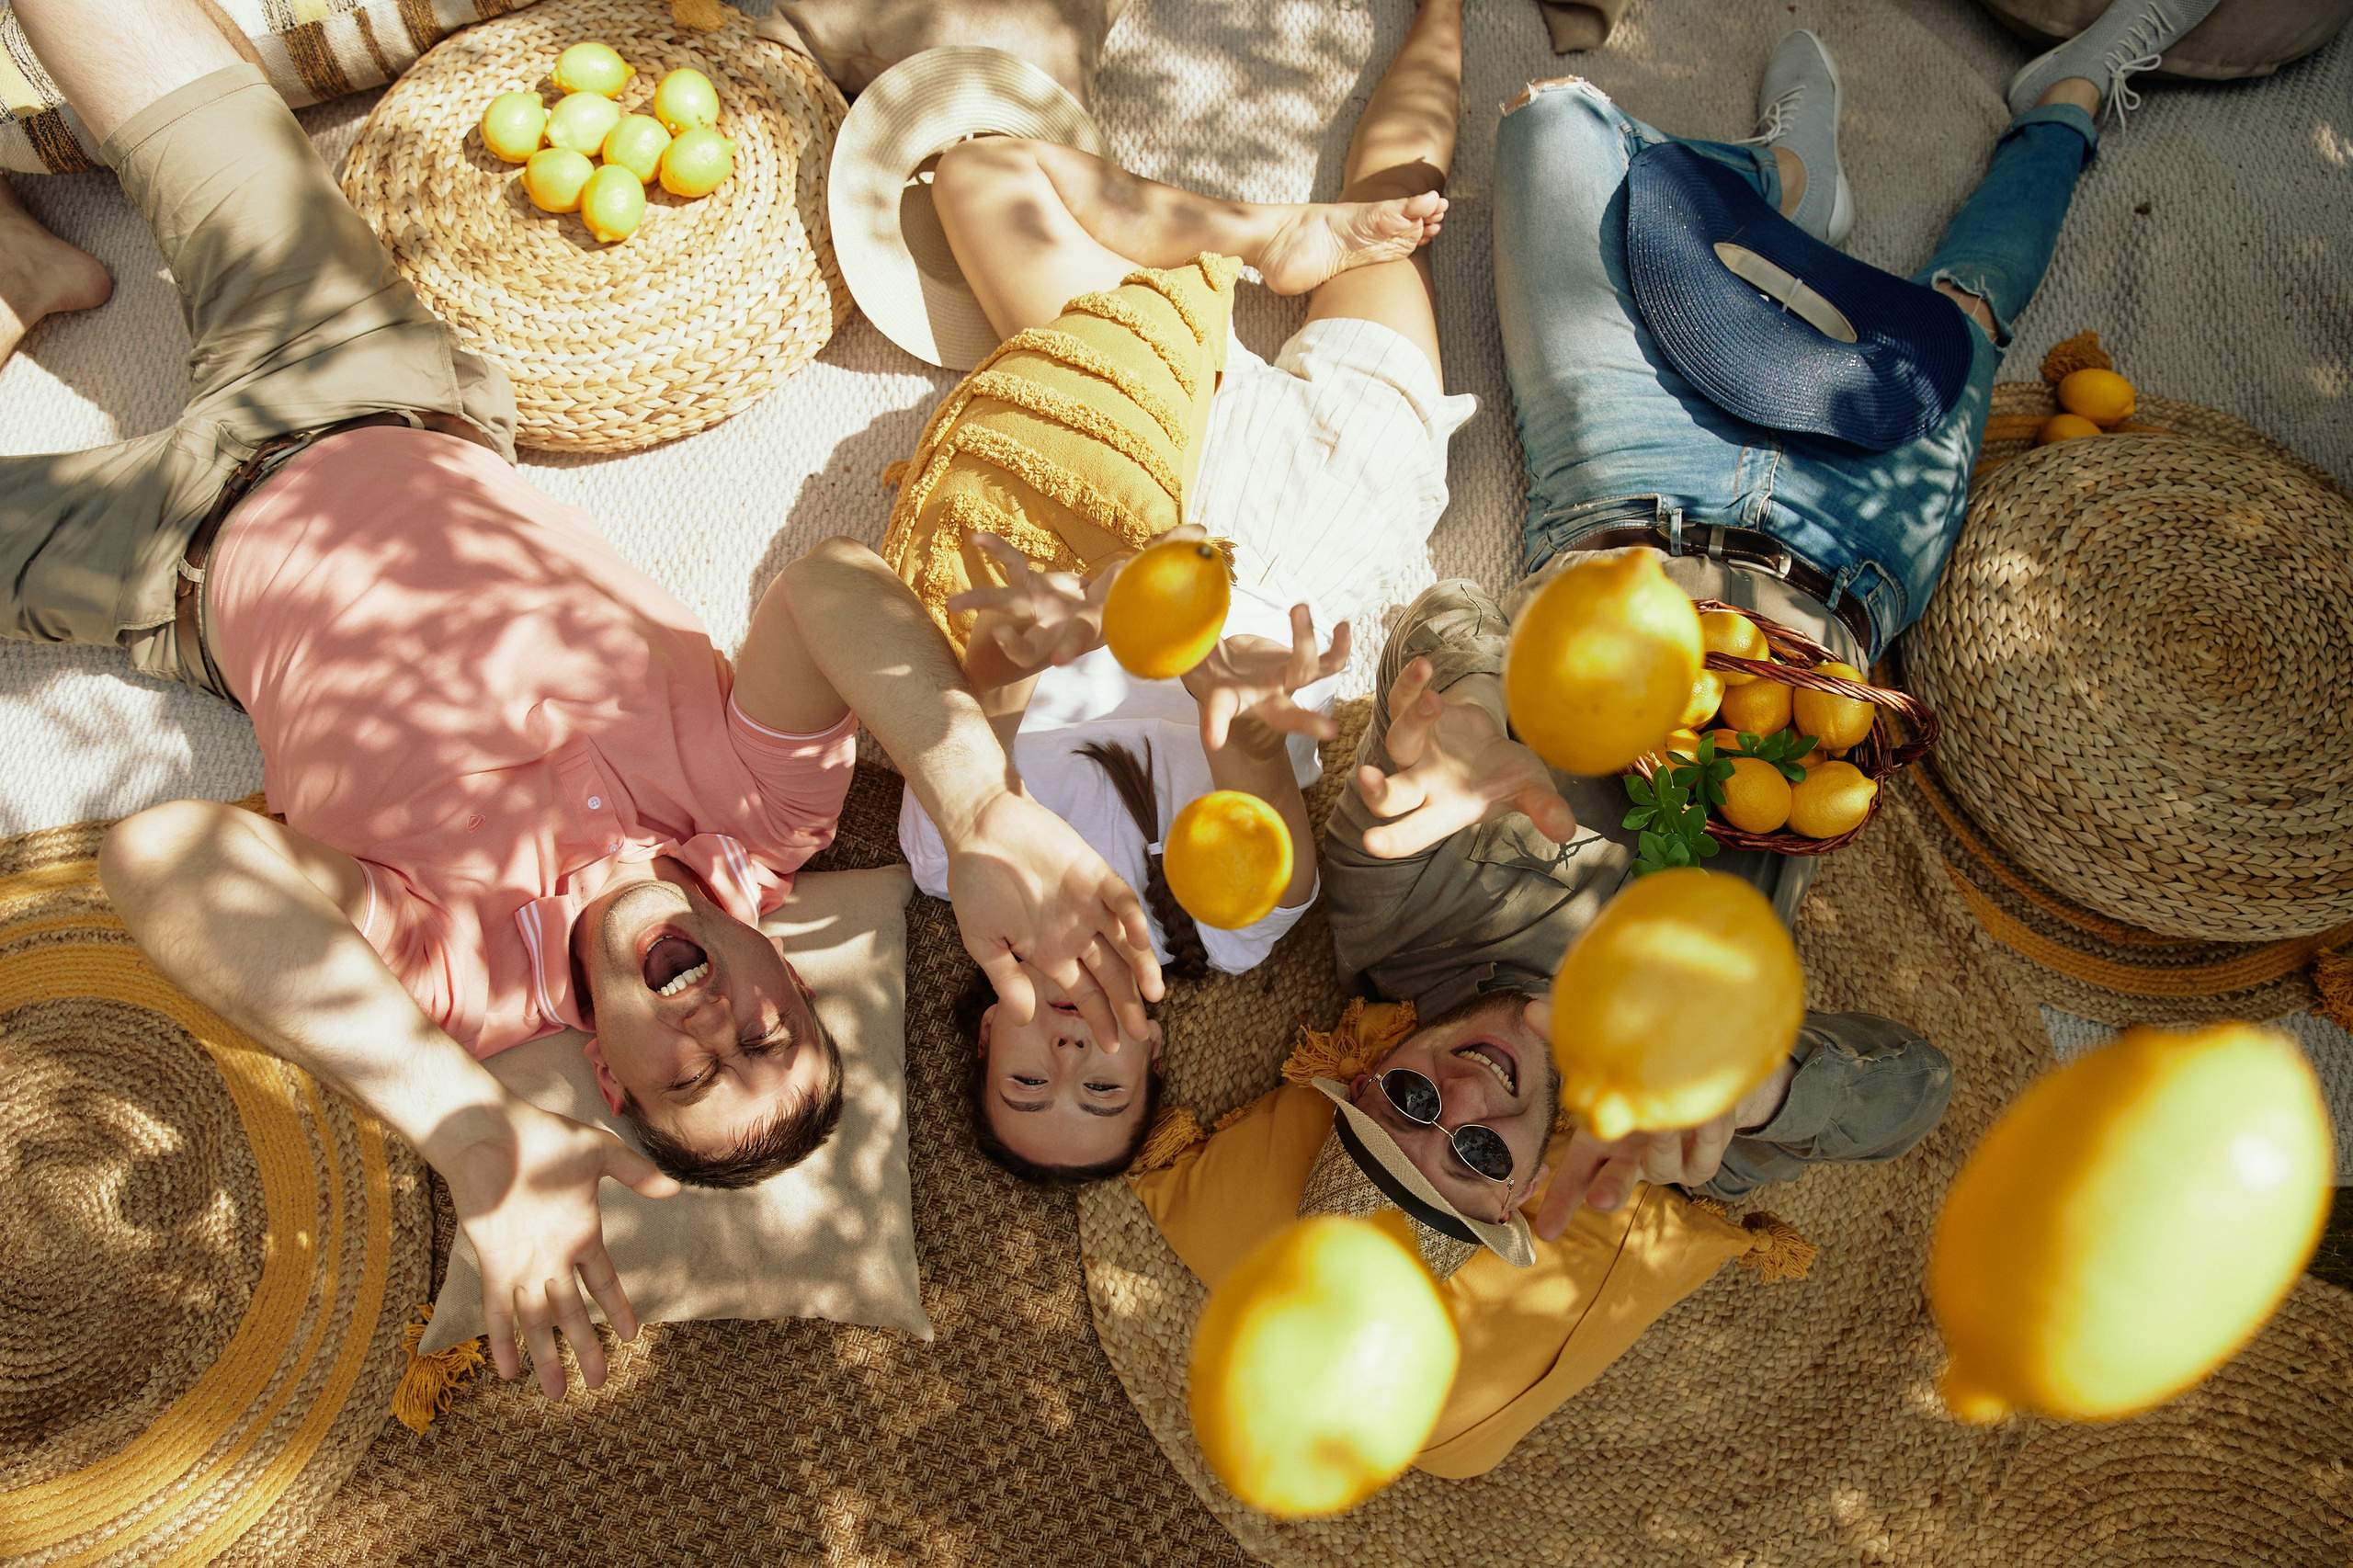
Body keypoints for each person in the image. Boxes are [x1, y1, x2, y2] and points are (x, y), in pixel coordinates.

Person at [0, 0, 1167, 1401]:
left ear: (608, 1078)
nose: (715, 1029)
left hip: (165, 566)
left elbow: (169, 857)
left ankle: (27, 268)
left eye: (687, 1076)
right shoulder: (762, 818)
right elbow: (833, 589)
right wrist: (977, 803)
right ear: (780, 961)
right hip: (352, 373)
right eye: (770, 1031)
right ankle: (33, 268)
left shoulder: (460, 982)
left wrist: (475, 1133)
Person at [1132, 0, 2213, 1473]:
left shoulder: (1399, 920)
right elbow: (1915, 1090)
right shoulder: (1677, 1091)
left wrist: (1487, 745)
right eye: (1471, 1155)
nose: (1457, 1096)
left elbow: (1445, 623)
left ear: (1360, 1065)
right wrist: (1756, 1083)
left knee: (1557, 131)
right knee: (1963, 316)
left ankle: (1780, 193)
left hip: (1624, 474)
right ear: (1530, 1191)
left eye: (1400, 1103)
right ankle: (2074, 99)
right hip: (1853, 567)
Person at [894, 0, 1478, 1183]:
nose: (1067, 1051)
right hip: (1328, 512)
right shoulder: (1230, 927)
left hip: (1159, 472)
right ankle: (1446, 11)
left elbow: (982, 668)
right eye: (1100, 1084)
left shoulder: (957, 861)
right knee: (1400, 221)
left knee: (976, 175)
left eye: (1026, 1077)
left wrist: (1046, 622)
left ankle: (1270, 236)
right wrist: (1243, 728)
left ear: (981, 1030)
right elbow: (1250, 751)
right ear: (1153, 1044)